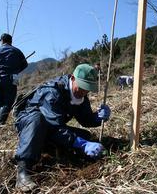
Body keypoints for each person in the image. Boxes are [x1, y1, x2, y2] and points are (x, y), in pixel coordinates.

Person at [14, 63, 111, 191]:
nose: (83, 91)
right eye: (81, 87)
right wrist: (81, 144)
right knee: (37, 120)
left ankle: (49, 147)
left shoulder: (81, 96)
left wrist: (98, 117)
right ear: (72, 78)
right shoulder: (52, 92)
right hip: (30, 125)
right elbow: (55, 126)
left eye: (87, 88)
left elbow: (85, 119)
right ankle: (23, 171)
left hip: (53, 126)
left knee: (85, 135)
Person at [0, 33, 28, 125]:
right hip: (12, 78)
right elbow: (25, 64)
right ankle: (0, 123)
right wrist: (16, 70)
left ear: (2, 40)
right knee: (8, 101)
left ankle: (0, 122)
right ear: (11, 41)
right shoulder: (17, 51)